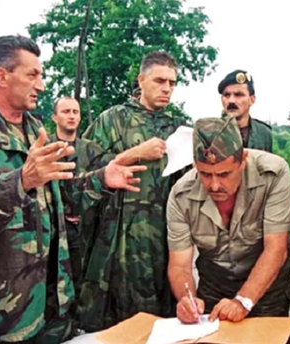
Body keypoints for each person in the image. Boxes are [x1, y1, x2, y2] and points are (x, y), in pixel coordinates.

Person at [0, 35, 146, 344]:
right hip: (4, 318)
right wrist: (22, 181)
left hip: (53, 305)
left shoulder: (35, 129)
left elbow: (59, 197)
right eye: (32, 74)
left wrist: (101, 179)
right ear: (1, 76)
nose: (41, 85)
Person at [78, 51, 187, 331]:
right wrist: (133, 154)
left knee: (159, 322)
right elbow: (83, 172)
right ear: (141, 80)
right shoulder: (112, 119)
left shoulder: (176, 129)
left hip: (163, 242)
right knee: (115, 321)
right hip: (116, 242)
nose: (167, 88)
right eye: (160, 80)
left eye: (172, 83)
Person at [166, 117, 290, 323]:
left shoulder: (273, 173)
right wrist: (186, 298)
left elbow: (276, 250)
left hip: (267, 291)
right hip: (214, 289)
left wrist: (242, 301)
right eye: (205, 174)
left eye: (224, 174)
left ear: (242, 160)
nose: (215, 185)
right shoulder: (181, 195)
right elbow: (180, 265)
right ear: (194, 165)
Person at [50, 96, 107, 306]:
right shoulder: (46, 149)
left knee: (85, 282)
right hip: (56, 231)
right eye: (66, 112)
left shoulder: (91, 149)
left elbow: (109, 177)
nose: (72, 116)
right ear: (55, 117)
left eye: (75, 112)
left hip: (87, 229)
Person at [218, 70, 272, 152]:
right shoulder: (210, 132)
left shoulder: (263, 133)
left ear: (252, 99)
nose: (231, 100)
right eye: (227, 95)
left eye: (238, 95)